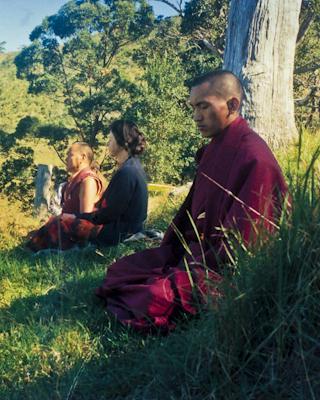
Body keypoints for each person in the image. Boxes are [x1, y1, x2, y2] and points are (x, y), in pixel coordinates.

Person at [95, 70, 289, 332]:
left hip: (223, 268)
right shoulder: (215, 148)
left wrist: (196, 263)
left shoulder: (254, 158)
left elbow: (247, 246)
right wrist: (177, 252)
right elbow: (191, 212)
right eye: (193, 107)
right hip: (197, 252)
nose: (196, 116)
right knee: (121, 270)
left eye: (203, 106)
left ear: (232, 105)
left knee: (152, 295)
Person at [27, 120, 148, 251]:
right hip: (124, 228)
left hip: (119, 233)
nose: (108, 143)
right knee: (62, 221)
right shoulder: (132, 167)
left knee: (61, 222)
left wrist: (77, 218)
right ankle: (35, 246)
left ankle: (30, 251)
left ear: (122, 141)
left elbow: (108, 215)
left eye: (111, 139)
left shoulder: (127, 172)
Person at [27, 142, 104, 251]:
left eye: (70, 154)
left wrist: (60, 220)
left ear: (82, 157)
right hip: (67, 229)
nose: (66, 158)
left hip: (79, 234)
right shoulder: (72, 182)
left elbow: (85, 218)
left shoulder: (88, 181)